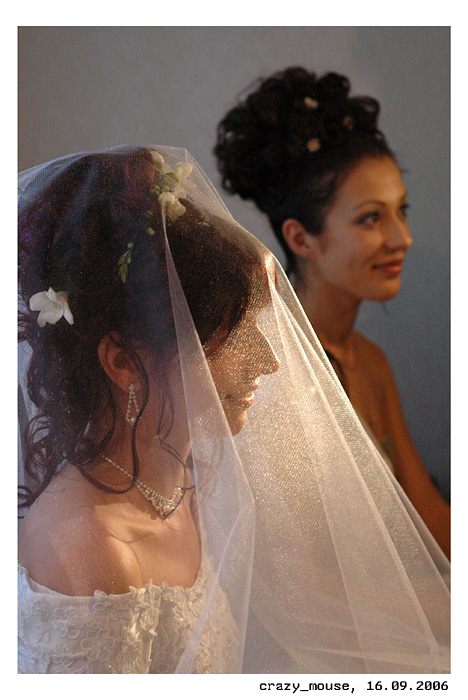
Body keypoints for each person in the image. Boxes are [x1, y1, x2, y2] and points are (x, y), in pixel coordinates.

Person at [18, 145, 449, 674]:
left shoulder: (188, 480)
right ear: (124, 361)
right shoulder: (92, 552)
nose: (269, 361)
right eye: (232, 339)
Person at [214, 67, 450, 558]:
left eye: (402, 210)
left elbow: (431, 522)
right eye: (371, 218)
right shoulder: (266, 367)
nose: (402, 238)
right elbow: (297, 564)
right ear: (301, 238)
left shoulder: (371, 362)